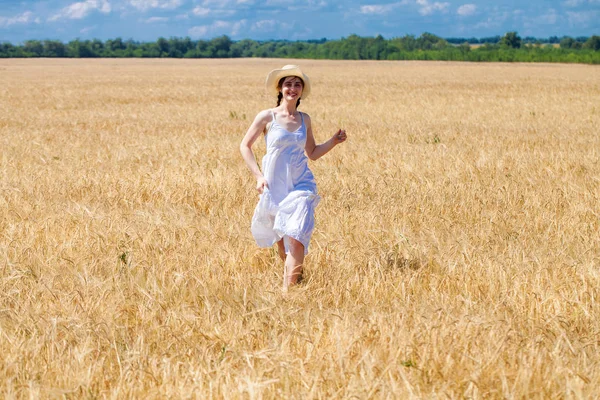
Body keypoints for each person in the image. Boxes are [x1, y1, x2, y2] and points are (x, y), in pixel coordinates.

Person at [240, 65, 347, 290]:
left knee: (297, 237)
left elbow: (313, 153)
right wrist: (258, 176)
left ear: (301, 91)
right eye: (288, 84)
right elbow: (245, 146)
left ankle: (288, 294)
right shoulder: (267, 116)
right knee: (283, 245)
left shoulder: (304, 119)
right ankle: (296, 276)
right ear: (280, 88)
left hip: (301, 185)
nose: (293, 88)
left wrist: (333, 142)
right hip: (275, 186)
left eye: (297, 84)